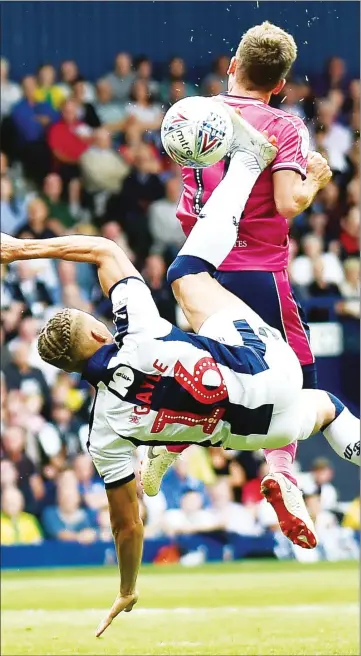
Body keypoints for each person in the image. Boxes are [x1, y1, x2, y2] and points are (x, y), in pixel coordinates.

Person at [1, 118, 359, 635]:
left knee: (325, 407)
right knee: (186, 276)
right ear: (100, 336)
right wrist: (18, 249)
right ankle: (249, 163)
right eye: (95, 321)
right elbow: (104, 249)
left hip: (253, 432)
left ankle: (168, 447)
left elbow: (128, 524)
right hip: (265, 367)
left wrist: (127, 588)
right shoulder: (137, 329)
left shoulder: (103, 432)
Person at [149, 21, 338, 536]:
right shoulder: (282, 125)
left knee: (211, 372)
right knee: (299, 380)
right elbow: (287, 202)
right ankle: (281, 473)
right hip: (257, 270)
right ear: (281, 84)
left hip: (198, 267)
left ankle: (172, 442)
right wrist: (317, 179)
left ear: (232, 65)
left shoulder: (197, 113)